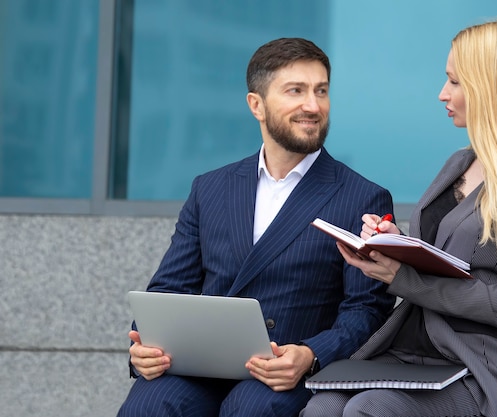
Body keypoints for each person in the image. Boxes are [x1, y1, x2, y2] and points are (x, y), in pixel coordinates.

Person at [300, 18, 497, 417]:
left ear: (491, 87)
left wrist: (402, 278)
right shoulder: (460, 162)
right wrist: (392, 243)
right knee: (322, 407)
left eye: (454, 82)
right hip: (410, 350)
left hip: (476, 369)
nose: (442, 94)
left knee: (370, 410)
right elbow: (442, 255)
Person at [116, 37, 396, 417]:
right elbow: (169, 289)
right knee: (149, 404)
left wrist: (312, 354)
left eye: (321, 91)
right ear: (256, 105)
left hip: (287, 374)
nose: (312, 106)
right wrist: (144, 349)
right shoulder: (210, 188)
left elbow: (367, 310)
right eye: (295, 91)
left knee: (251, 408)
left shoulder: (362, 197)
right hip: (200, 370)